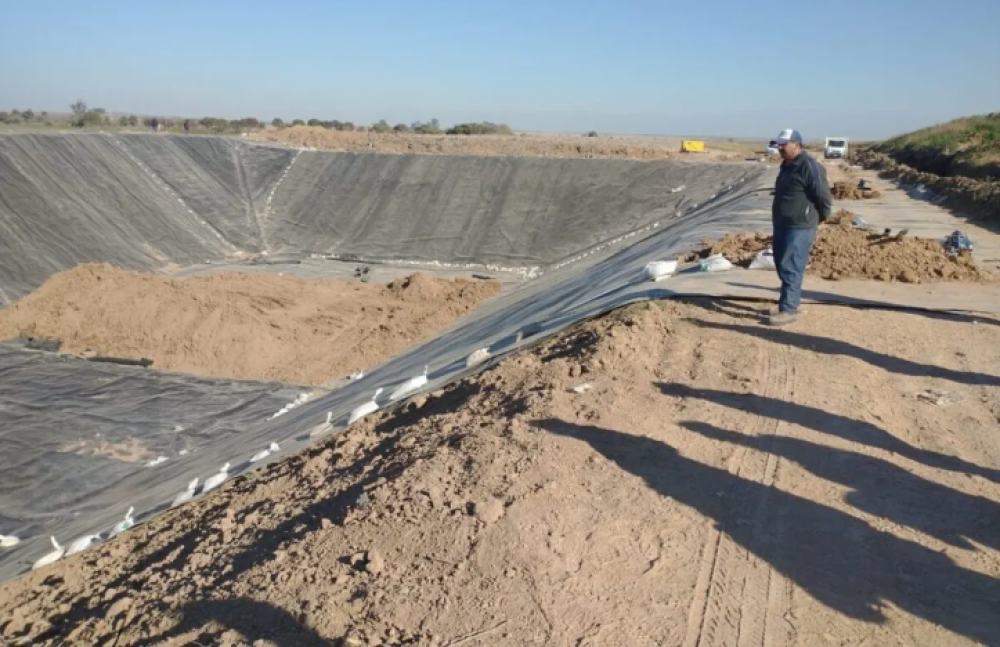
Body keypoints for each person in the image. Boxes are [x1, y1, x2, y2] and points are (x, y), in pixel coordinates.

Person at [766, 128, 832, 326]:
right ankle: (788, 302)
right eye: (778, 145)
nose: (780, 149)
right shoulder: (786, 166)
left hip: (800, 226)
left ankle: (789, 309)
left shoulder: (809, 166)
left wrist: (819, 216)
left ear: (797, 145)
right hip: (782, 224)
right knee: (782, 263)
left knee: (792, 266)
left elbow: (823, 196)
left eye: (784, 145)